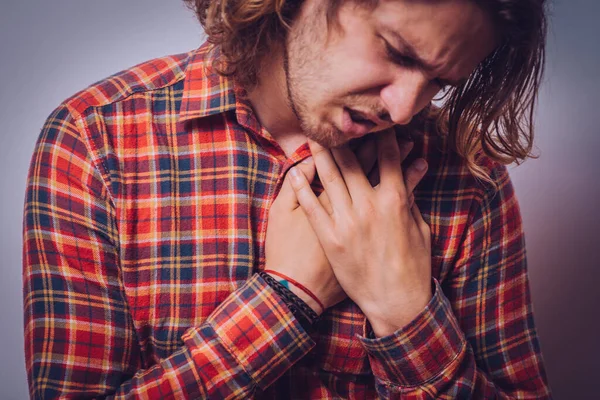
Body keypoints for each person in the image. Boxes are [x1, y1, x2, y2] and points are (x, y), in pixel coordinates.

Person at [22, 0, 553, 398]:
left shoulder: (467, 176)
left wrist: (406, 312)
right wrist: (286, 298)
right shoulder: (98, 141)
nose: (404, 109)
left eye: (439, 82)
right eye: (396, 51)